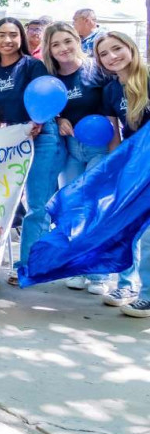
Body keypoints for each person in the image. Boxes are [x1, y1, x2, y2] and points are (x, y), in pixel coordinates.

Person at [0, 18, 64, 286]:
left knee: (36, 205)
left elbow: (46, 98)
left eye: (13, 35)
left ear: (21, 38)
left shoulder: (32, 65)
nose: (8, 40)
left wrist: (38, 122)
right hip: (14, 139)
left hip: (42, 138)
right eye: (2, 35)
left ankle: (29, 265)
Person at [41, 23, 113, 295]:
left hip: (99, 149)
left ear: (77, 40)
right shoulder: (51, 78)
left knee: (95, 207)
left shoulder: (97, 71)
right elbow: (48, 108)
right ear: (49, 49)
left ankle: (99, 274)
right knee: (74, 208)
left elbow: (112, 111)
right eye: (56, 44)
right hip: (70, 149)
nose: (63, 48)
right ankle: (78, 268)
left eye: (67, 41)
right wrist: (59, 119)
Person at [94, 32, 150, 317]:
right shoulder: (110, 90)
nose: (112, 56)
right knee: (128, 226)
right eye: (104, 53)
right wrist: (118, 167)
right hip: (132, 166)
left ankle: (148, 295)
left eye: (117, 49)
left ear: (130, 47)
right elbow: (115, 133)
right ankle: (125, 285)